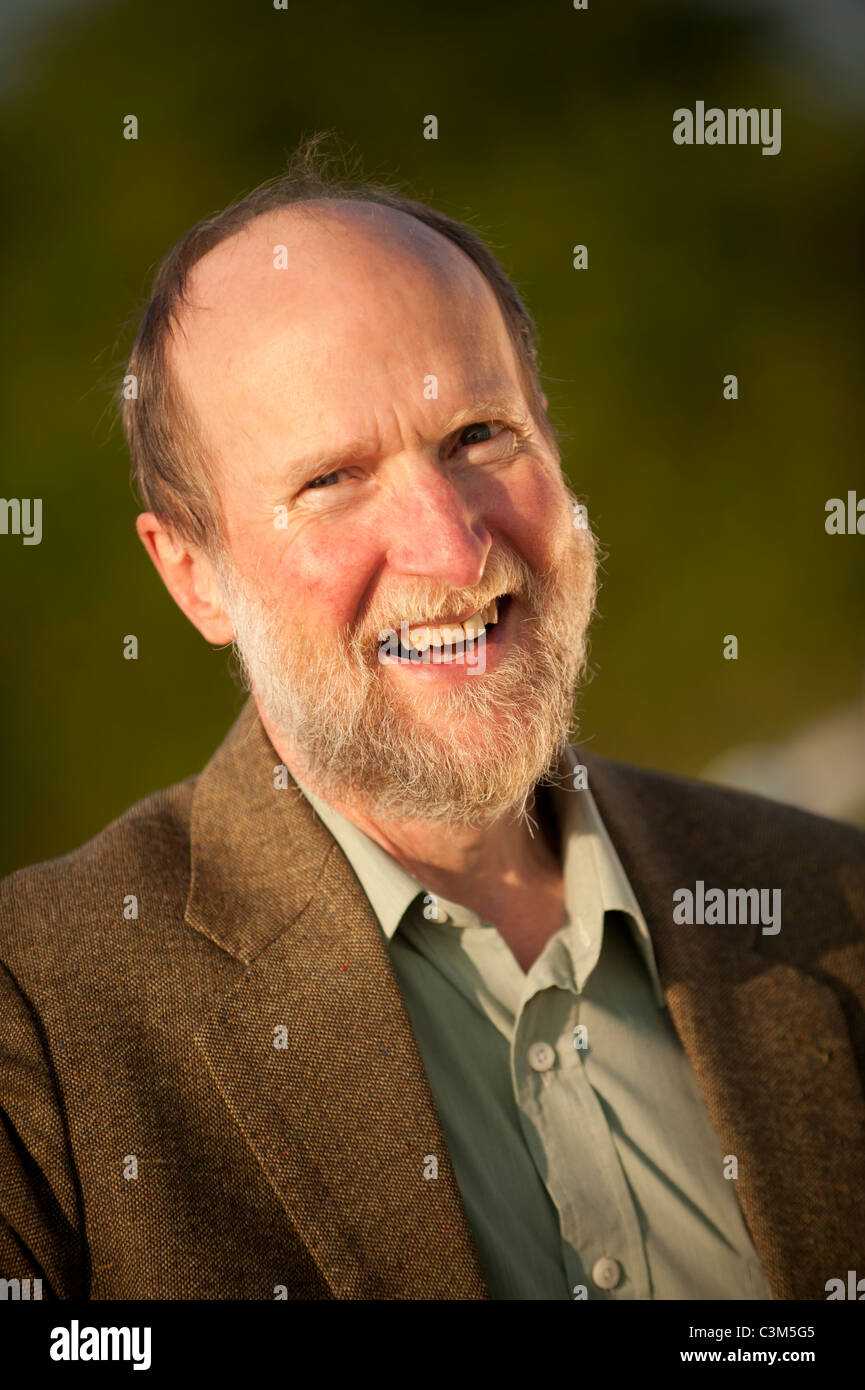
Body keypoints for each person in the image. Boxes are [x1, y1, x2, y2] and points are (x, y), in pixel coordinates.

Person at [1, 137, 863, 1301]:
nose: (453, 546)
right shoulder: (38, 1029)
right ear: (193, 575)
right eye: (332, 480)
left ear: (549, 438)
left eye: (478, 437)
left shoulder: (837, 900)